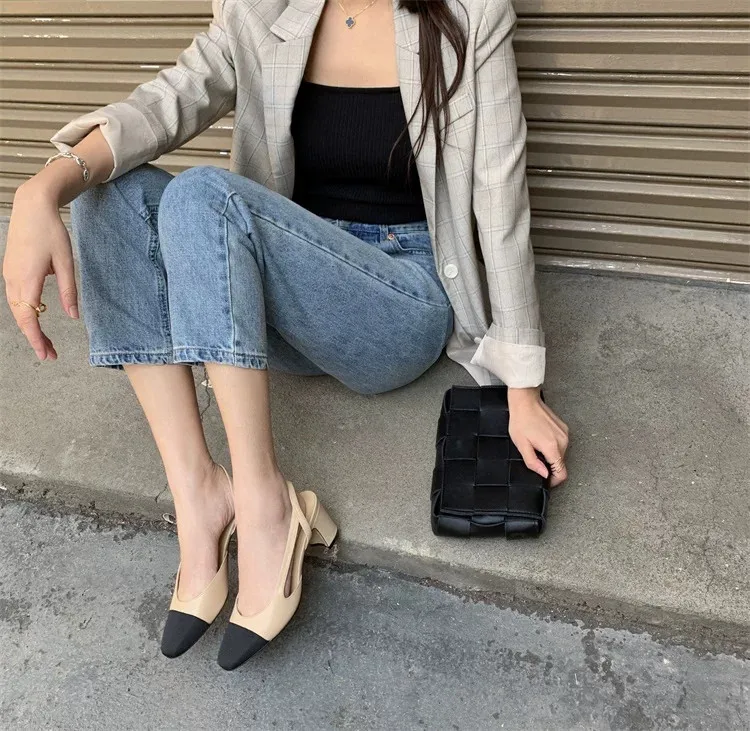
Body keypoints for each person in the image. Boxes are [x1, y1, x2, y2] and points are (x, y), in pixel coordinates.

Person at [3, 0, 570, 670]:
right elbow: (165, 102)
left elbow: (501, 196)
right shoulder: (261, 8)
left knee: (203, 195)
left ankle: (263, 501)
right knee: (106, 189)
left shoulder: (470, 13)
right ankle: (200, 495)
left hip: (398, 297)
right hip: (284, 292)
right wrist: (42, 189)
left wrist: (521, 387)